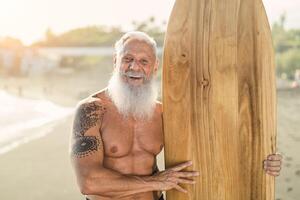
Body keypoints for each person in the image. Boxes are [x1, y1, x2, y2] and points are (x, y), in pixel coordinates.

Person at [70, 31, 283, 200]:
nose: (135, 66)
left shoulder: (163, 113)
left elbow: (216, 144)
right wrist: (156, 182)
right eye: (128, 58)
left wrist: (261, 161)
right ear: (116, 61)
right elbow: (89, 182)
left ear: (154, 68)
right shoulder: (92, 110)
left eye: (144, 61)